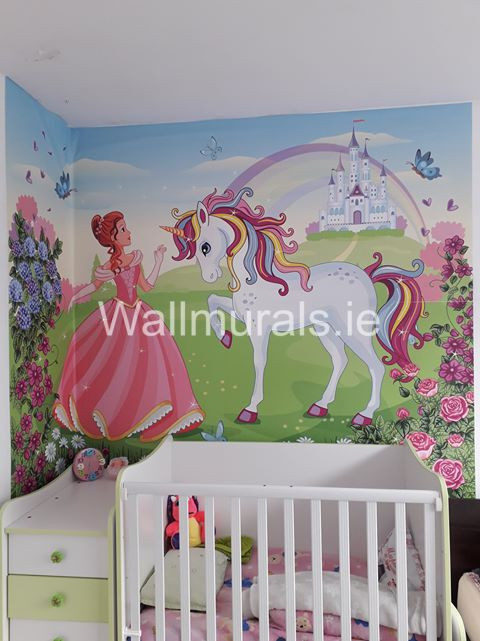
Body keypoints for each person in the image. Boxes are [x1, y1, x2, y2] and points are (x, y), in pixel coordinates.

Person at [53, 210, 204, 442]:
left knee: (150, 364)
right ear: (113, 237)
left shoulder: (135, 258)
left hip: (139, 313)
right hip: (118, 314)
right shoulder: (109, 266)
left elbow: (147, 286)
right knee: (116, 364)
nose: (129, 232)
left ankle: (144, 412)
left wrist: (158, 261)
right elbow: (94, 287)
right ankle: (115, 413)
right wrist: (74, 296)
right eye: (123, 229)